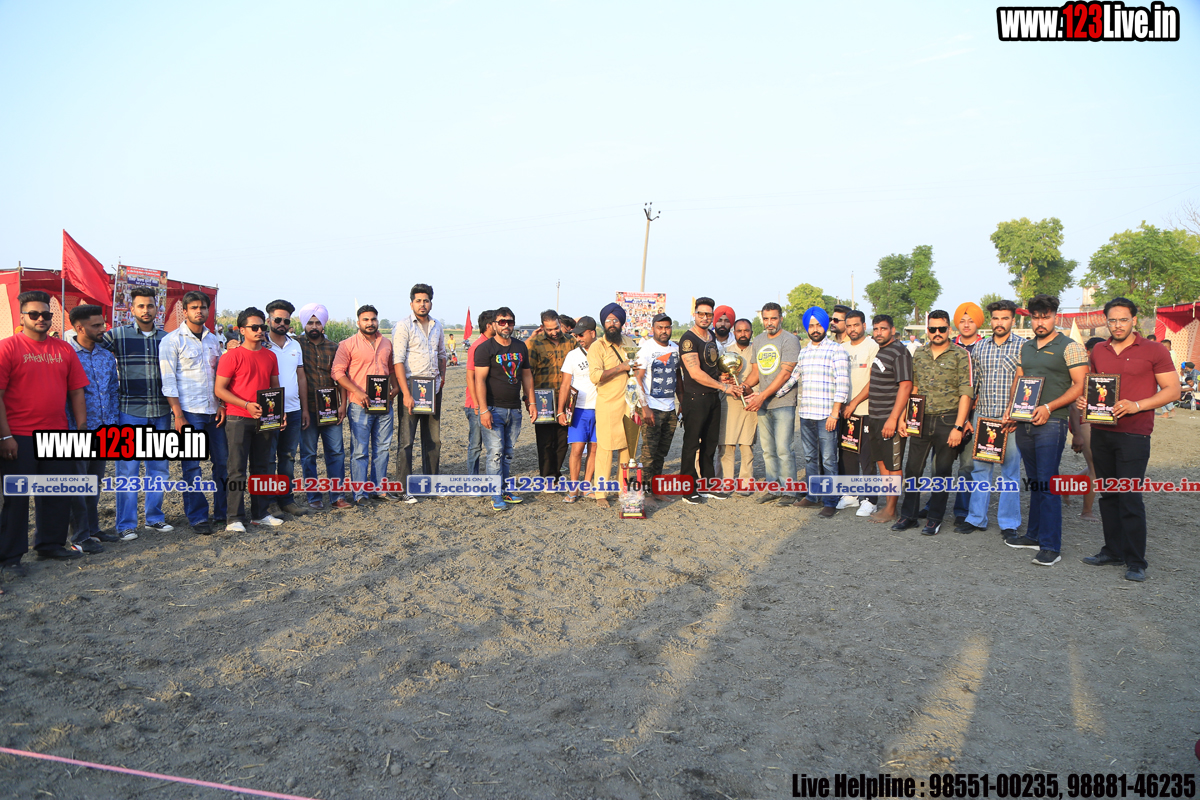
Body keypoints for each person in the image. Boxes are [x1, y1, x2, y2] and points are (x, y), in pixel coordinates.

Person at [1076, 297, 1178, 582]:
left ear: (1134, 320)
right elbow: (1095, 386)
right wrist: (1086, 401)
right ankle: (1112, 551)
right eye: (1112, 320)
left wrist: (1137, 405)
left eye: (1123, 319)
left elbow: (1172, 390)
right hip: (1102, 431)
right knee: (1109, 494)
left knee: (1130, 497)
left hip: (1135, 433)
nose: (1117, 325)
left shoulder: (1154, 349)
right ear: (1106, 322)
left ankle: (1135, 561)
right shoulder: (1099, 349)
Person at [0, 291, 90, 575]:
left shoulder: (64, 350)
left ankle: (50, 544)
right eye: (34, 314)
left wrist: (81, 428)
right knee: (17, 499)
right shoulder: (7, 348)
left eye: (46, 314)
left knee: (56, 492)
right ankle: (10, 557)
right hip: (19, 436)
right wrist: (5, 437)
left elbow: (76, 391)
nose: (41, 319)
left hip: (58, 435)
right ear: (22, 316)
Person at [1002, 294, 1088, 567]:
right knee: (1036, 481)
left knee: (1049, 482)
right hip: (1024, 421)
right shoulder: (1026, 347)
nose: (1040, 322)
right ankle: (1034, 535)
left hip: (1052, 421)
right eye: (1036, 317)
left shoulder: (1070, 346)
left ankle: (1051, 546)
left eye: (1046, 317)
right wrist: (1011, 409)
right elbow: (1019, 379)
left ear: (1055, 317)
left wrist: (1049, 407)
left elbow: (1080, 385)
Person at [891, 310, 974, 535]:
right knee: (913, 469)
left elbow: (966, 392)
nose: (937, 333)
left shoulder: (960, 354)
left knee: (941, 472)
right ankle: (909, 516)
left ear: (949, 329)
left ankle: (935, 518)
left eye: (942, 329)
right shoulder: (919, 353)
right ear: (927, 330)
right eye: (933, 329)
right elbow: (914, 387)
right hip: (920, 418)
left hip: (948, 419)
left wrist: (958, 426)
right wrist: (904, 417)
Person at [103, 286, 173, 540]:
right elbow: (89, 344)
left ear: (157, 309)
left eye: (150, 306)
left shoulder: (167, 339)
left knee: (159, 468)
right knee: (128, 470)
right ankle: (126, 524)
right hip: (130, 411)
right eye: (141, 306)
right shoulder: (117, 335)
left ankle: (154, 518)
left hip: (161, 411)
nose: (146, 310)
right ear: (131, 309)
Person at [158, 291, 228, 534]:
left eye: (203, 307)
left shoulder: (213, 340)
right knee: (192, 467)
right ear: (185, 311)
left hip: (214, 411)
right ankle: (198, 517)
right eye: (194, 307)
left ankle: (222, 513)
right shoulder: (172, 340)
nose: (199, 311)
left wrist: (222, 404)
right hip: (189, 413)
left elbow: (219, 376)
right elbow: (168, 381)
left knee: (223, 463)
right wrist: (178, 415)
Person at [959, 300, 1026, 536]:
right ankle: (976, 518)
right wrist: (968, 417)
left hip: (1011, 420)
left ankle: (1009, 523)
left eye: (1005, 318)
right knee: (980, 470)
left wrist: (1017, 414)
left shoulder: (1023, 347)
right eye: (996, 318)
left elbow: (1026, 385)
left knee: (1010, 472)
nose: (1000, 323)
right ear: (990, 320)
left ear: (1013, 320)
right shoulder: (979, 348)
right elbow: (973, 386)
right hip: (984, 416)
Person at [215, 308, 284, 531]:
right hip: (238, 418)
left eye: (262, 326)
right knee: (236, 469)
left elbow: (274, 387)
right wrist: (245, 405)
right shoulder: (231, 356)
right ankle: (234, 518)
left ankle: (260, 514)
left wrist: (279, 411)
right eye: (254, 327)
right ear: (242, 330)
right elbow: (220, 389)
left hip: (265, 419)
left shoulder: (270, 356)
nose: (259, 330)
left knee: (262, 467)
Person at [676, 298, 741, 504]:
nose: (705, 318)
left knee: (710, 444)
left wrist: (722, 378)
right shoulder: (688, 339)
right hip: (695, 398)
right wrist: (723, 387)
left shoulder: (711, 336)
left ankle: (708, 485)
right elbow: (695, 373)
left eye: (708, 314)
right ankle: (688, 489)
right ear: (694, 315)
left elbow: (710, 368)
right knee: (691, 445)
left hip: (713, 397)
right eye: (701, 314)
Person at [66, 305, 119, 551]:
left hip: (103, 429)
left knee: (93, 482)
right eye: (96, 325)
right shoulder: (66, 355)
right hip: (75, 430)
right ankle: (79, 536)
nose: (102, 330)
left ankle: (93, 529)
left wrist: (112, 423)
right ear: (79, 328)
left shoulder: (106, 356)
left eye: (102, 324)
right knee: (77, 484)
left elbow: (112, 391)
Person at [332, 305, 397, 503]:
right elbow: (337, 373)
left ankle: (379, 489)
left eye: (373, 319)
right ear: (358, 322)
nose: (370, 323)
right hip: (359, 405)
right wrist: (357, 392)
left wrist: (395, 388)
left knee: (383, 448)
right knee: (360, 451)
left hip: (384, 404)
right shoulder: (347, 344)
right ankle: (360, 494)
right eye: (366, 320)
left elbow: (391, 369)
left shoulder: (386, 343)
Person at [791, 307, 850, 517]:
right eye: (811, 326)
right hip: (806, 413)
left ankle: (831, 501)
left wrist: (835, 414)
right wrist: (764, 394)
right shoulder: (804, 352)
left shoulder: (836, 350)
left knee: (828, 459)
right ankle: (812, 496)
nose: (815, 329)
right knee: (809, 458)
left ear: (825, 326)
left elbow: (843, 384)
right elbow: (793, 378)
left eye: (818, 325)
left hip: (827, 416)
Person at [474, 307, 534, 511]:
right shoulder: (485, 348)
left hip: (514, 409)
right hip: (493, 408)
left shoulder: (520, 346)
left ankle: (505, 490)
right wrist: (483, 410)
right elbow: (479, 380)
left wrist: (531, 402)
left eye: (510, 322)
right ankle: (495, 495)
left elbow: (526, 375)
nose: (506, 325)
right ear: (494, 324)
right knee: (495, 453)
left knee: (508, 453)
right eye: (502, 322)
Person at [743, 303, 801, 504]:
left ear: (781, 318)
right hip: (763, 403)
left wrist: (761, 396)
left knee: (784, 448)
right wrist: (744, 386)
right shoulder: (758, 340)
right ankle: (773, 487)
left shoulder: (790, 340)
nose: (769, 322)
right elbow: (756, 372)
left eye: (773, 318)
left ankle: (789, 491)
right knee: (767, 449)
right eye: (766, 319)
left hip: (783, 401)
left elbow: (785, 374)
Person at [394, 284, 447, 502]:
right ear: (411, 303)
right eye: (418, 301)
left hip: (433, 389)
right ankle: (404, 489)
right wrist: (406, 393)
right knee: (407, 441)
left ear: (431, 303)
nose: (422, 304)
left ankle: (431, 485)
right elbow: (398, 361)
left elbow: (442, 354)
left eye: (426, 300)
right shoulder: (403, 326)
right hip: (411, 389)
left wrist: (441, 379)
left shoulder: (437, 325)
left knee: (433, 440)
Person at [297, 303, 351, 510]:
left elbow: (340, 377)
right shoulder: (296, 345)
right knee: (309, 454)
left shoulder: (334, 347)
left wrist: (343, 405)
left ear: (323, 324)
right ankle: (313, 497)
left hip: (330, 409)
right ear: (304, 324)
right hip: (307, 409)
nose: (314, 326)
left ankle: (337, 496)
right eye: (310, 322)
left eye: (318, 323)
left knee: (336, 453)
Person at [587, 304, 640, 507]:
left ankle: (622, 489)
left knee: (627, 447)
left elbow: (637, 368)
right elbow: (595, 376)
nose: (612, 324)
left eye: (615, 320)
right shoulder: (597, 347)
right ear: (603, 323)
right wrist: (621, 367)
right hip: (608, 405)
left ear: (621, 322)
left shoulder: (629, 342)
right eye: (608, 320)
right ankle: (600, 494)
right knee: (605, 448)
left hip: (629, 403)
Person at [937, 302, 984, 525]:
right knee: (939, 463)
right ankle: (934, 504)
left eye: (971, 321)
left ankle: (962, 509)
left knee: (967, 465)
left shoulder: (985, 348)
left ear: (978, 323)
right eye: (962, 321)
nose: (966, 325)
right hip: (946, 413)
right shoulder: (947, 345)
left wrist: (967, 417)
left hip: (974, 413)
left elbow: (981, 384)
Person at [262, 300, 309, 517]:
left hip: (293, 409)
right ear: (269, 320)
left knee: (288, 457)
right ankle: (269, 502)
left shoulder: (295, 345)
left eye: (286, 321)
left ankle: (287, 499)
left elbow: (301, 377)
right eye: (278, 319)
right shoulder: (261, 344)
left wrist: (304, 408)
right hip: (269, 409)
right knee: (268, 458)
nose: (282, 324)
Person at [865, 315, 913, 524]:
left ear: (892, 330)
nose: (879, 333)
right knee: (883, 462)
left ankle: (892, 509)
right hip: (875, 417)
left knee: (893, 465)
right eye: (876, 329)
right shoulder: (882, 350)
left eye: (883, 329)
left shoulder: (900, 352)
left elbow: (906, 386)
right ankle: (888, 504)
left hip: (888, 418)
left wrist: (893, 419)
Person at [837, 309, 880, 517]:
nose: (852, 329)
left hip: (865, 410)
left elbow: (873, 381)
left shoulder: (873, 347)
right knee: (848, 455)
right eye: (849, 325)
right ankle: (851, 495)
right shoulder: (841, 349)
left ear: (864, 325)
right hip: (846, 412)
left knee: (867, 458)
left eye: (856, 325)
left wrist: (853, 403)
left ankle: (870, 500)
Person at [635, 313, 680, 503]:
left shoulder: (676, 349)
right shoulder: (645, 349)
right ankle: (643, 493)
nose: (664, 331)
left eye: (667, 327)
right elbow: (637, 379)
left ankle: (656, 490)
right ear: (653, 328)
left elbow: (679, 379)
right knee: (648, 454)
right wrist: (644, 407)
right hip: (651, 408)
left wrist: (681, 404)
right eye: (660, 327)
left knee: (662, 453)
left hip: (669, 409)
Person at [527, 309, 574, 488]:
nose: (554, 332)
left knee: (562, 441)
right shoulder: (535, 344)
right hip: (543, 399)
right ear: (542, 327)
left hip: (566, 398)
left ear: (560, 324)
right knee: (545, 442)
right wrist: (529, 399)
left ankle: (556, 472)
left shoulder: (571, 341)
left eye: (556, 328)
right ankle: (548, 477)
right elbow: (528, 373)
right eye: (549, 329)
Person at [558, 316, 598, 502]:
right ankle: (573, 488)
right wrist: (561, 411)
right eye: (576, 335)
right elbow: (565, 385)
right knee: (577, 448)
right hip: (579, 409)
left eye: (581, 335)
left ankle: (586, 486)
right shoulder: (572, 355)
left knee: (595, 448)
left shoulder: (603, 352)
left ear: (593, 333)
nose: (578, 338)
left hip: (600, 408)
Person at [717, 319, 756, 493]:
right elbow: (718, 376)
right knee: (726, 444)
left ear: (751, 332)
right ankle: (725, 482)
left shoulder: (756, 351)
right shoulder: (726, 352)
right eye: (739, 331)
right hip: (728, 402)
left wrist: (748, 388)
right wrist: (725, 381)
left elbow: (761, 375)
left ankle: (745, 483)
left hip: (750, 400)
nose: (743, 334)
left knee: (747, 445)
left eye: (746, 330)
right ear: (734, 332)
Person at [464, 310, 495, 475]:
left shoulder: (493, 345)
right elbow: (470, 377)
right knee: (476, 445)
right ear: (489, 325)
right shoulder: (477, 347)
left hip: (491, 402)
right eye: (497, 322)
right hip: (475, 404)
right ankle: (472, 478)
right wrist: (476, 404)